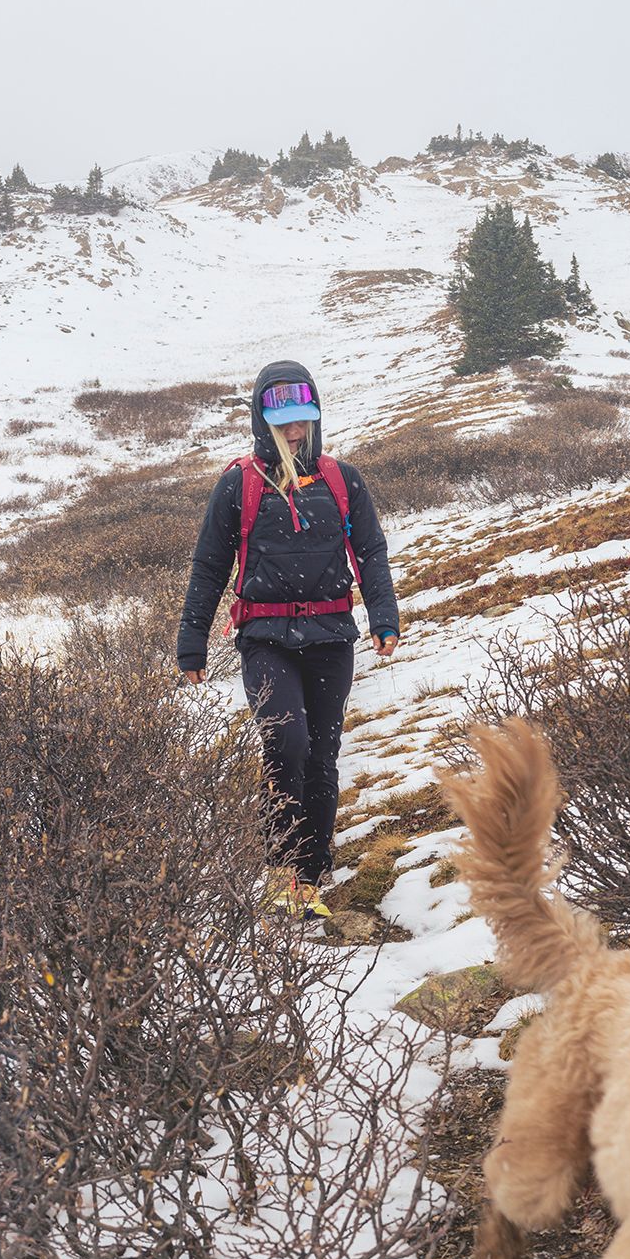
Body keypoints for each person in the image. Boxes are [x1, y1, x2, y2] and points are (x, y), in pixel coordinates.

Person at [177, 360, 401, 918]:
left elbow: (372, 551)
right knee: (287, 743)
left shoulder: (342, 479)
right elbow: (209, 566)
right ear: (263, 421)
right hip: (265, 637)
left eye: (302, 422)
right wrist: (192, 640)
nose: (295, 433)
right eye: (284, 424)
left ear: (315, 418)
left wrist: (383, 617)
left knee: (323, 755)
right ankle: (281, 867)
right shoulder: (238, 484)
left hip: (330, 635)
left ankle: (311, 875)